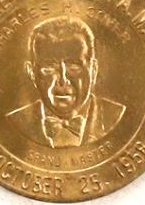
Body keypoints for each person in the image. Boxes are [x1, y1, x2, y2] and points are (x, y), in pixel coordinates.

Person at [7, 15, 125, 149]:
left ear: (93, 70)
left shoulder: (118, 117)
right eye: (49, 67)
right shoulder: (15, 123)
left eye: (73, 66)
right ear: (32, 73)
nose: (63, 80)